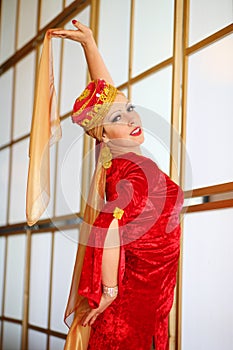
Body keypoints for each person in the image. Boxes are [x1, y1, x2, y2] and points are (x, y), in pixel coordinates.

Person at [51, 20, 184, 350]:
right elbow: (108, 225)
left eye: (130, 109)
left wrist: (90, 46)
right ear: (103, 134)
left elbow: (109, 100)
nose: (131, 119)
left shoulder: (117, 155)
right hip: (128, 309)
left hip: (152, 301)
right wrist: (108, 291)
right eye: (118, 119)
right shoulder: (128, 173)